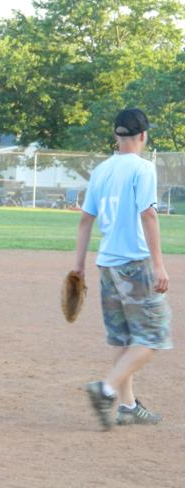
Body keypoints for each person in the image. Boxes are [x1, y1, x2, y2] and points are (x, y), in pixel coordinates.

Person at [74, 108, 171, 430]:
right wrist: (158, 264)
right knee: (153, 336)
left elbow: (85, 220)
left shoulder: (101, 170)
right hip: (134, 264)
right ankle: (105, 390)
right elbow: (149, 215)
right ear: (143, 135)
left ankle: (128, 407)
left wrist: (78, 268)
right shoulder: (143, 168)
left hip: (106, 264)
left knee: (122, 338)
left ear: (117, 136)